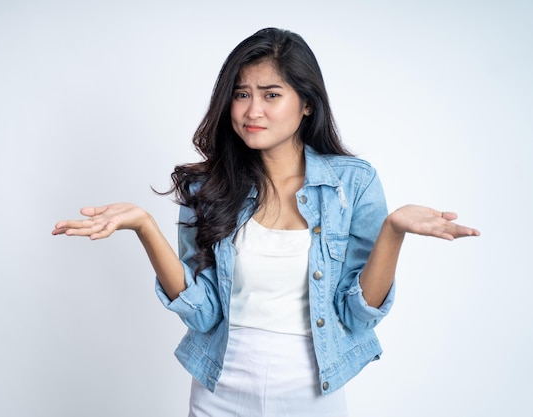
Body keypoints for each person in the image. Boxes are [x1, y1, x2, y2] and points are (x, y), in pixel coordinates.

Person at [52, 28, 480, 417]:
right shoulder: (208, 187)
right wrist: (145, 227)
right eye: (241, 94)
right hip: (219, 389)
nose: (252, 110)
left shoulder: (353, 183)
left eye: (271, 94)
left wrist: (393, 231)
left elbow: (357, 314)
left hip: (313, 392)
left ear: (306, 103)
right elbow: (203, 315)